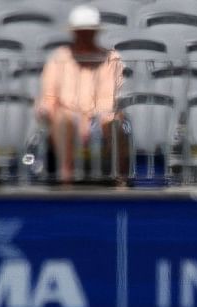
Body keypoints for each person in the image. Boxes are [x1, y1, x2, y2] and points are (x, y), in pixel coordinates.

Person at [37, 4, 126, 184]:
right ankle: (66, 179)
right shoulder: (59, 58)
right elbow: (49, 97)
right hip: (67, 117)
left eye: (89, 31)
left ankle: (121, 181)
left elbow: (110, 99)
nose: (85, 35)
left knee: (115, 121)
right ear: (74, 33)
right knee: (61, 118)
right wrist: (51, 112)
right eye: (81, 31)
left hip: (101, 117)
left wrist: (91, 119)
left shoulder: (111, 58)